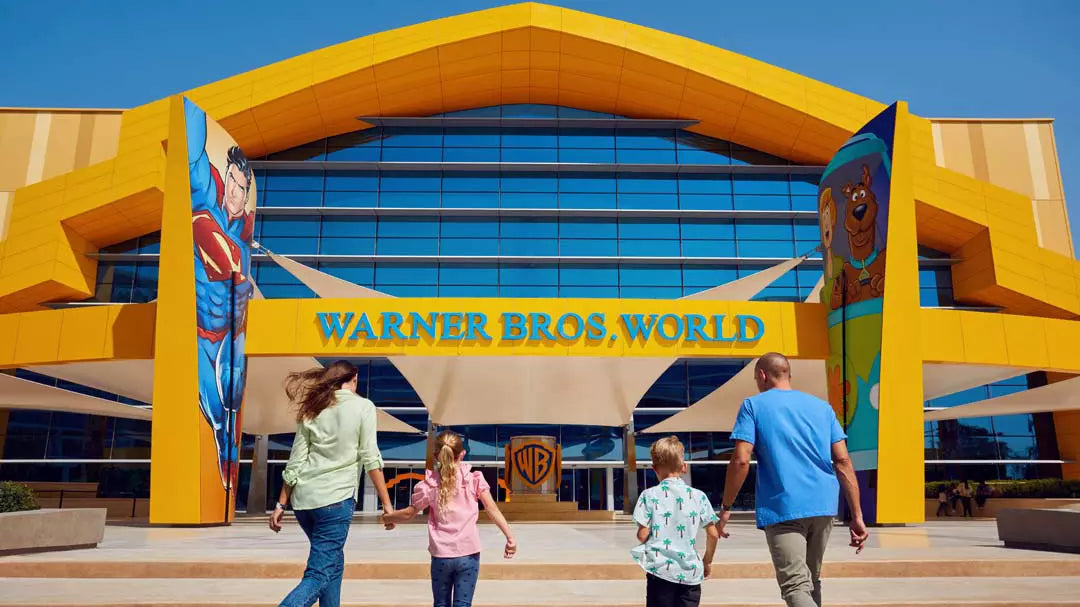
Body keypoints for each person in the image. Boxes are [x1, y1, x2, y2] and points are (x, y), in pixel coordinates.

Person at [719, 352, 869, 607]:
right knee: (811, 580)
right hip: (823, 505)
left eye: (757, 378)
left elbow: (741, 460)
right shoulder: (823, 408)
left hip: (784, 506)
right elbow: (843, 461)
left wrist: (725, 507)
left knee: (796, 586)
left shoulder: (753, 406)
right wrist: (857, 515)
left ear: (763, 376)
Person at [269, 360, 394, 607]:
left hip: (304, 502)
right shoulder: (363, 407)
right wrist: (387, 505)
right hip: (335, 501)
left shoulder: (313, 409)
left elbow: (296, 461)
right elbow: (370, 457)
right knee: (318, 574)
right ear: (354, 377)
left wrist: (281, 504)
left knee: (333, 563)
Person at [186, 99, 256, 488]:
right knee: (214, 409)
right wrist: (192, 110)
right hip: (201, 331)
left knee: (230, 396)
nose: (233, 190)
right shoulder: (205, 202)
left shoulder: (244, 240)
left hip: (231, 332)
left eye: (241, 187)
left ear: (247, 194)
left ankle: (228, 443)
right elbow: (193, 152)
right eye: (231, 180)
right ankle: (224, 444)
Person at [383, 430, 516, 607]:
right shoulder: (473, 479)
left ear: (437, 455)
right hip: (468, 555)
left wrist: (389, 517)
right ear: (462, 454)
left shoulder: (430, 484)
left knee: (440, 604)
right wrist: (510, 538)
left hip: (441, 556)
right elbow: (492, 510)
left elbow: (409, 513)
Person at [631, 436, 720, 607]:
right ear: (684, 467)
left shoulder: (648, 496)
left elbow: (642, 536)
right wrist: (707, 561)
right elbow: (713, 534)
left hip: (660, 572)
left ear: (654, 468)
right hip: (691, 574)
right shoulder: (699, 496)